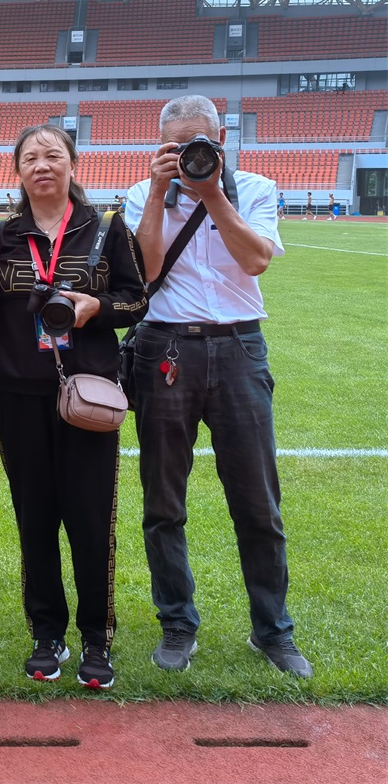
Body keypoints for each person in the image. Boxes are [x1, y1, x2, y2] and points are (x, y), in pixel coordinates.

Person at [126, 95, 312, 678]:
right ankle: (178, 625)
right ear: (160, 148)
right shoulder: (142, 193)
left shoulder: (254, 188)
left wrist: (212, 194)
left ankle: (273, 631)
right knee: (163, 503)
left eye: (200, 143)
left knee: (258, 501)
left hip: (239, 348)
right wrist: (160, 192)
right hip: (166, 349)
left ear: (222, 137)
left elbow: (256, 260)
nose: (190, 155)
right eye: (177, 147)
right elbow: (147, 270)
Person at [0, 125, 147, 690]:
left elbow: (137, 300)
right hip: (20, 397)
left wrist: (92, 309)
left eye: (54, 154)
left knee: (89, 517)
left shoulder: (106, 229)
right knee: (35, 517)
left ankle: (96, 637)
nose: (42, 164)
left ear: (74, 164)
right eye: (30, 157)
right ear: (18, 172)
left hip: (89, 397)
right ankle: (46, 632)